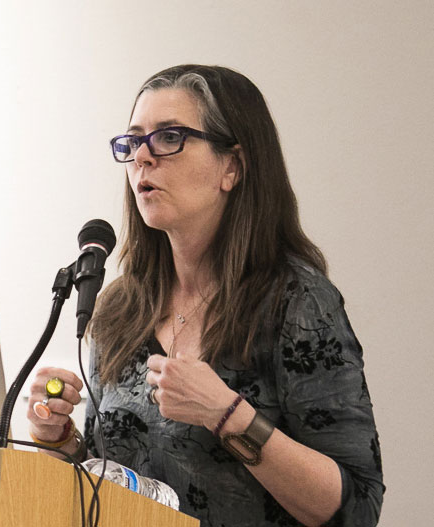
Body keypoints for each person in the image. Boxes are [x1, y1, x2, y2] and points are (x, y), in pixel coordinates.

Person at [26, 65, 383, 526]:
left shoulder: (297, 303)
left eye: (169, 137)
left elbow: (356, 507)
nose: (143, 159)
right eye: (134, 141)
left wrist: (228, 415)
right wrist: (57, 438)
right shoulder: (120, 308)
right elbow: (112, 475)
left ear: (231, 167)